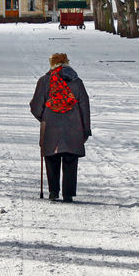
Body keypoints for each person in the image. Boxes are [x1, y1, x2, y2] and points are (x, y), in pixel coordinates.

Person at [30, 53, 91, 202]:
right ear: (67, 63)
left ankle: (53, 191)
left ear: (52, 64)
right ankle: (68, 194)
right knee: (70, 160)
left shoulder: (44, 81)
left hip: (51, 127)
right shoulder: (77, 82)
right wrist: (86, 128)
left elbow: (35, 106)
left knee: (51, 157)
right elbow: (84, 105)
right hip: (74, 127)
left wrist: (44, 118)